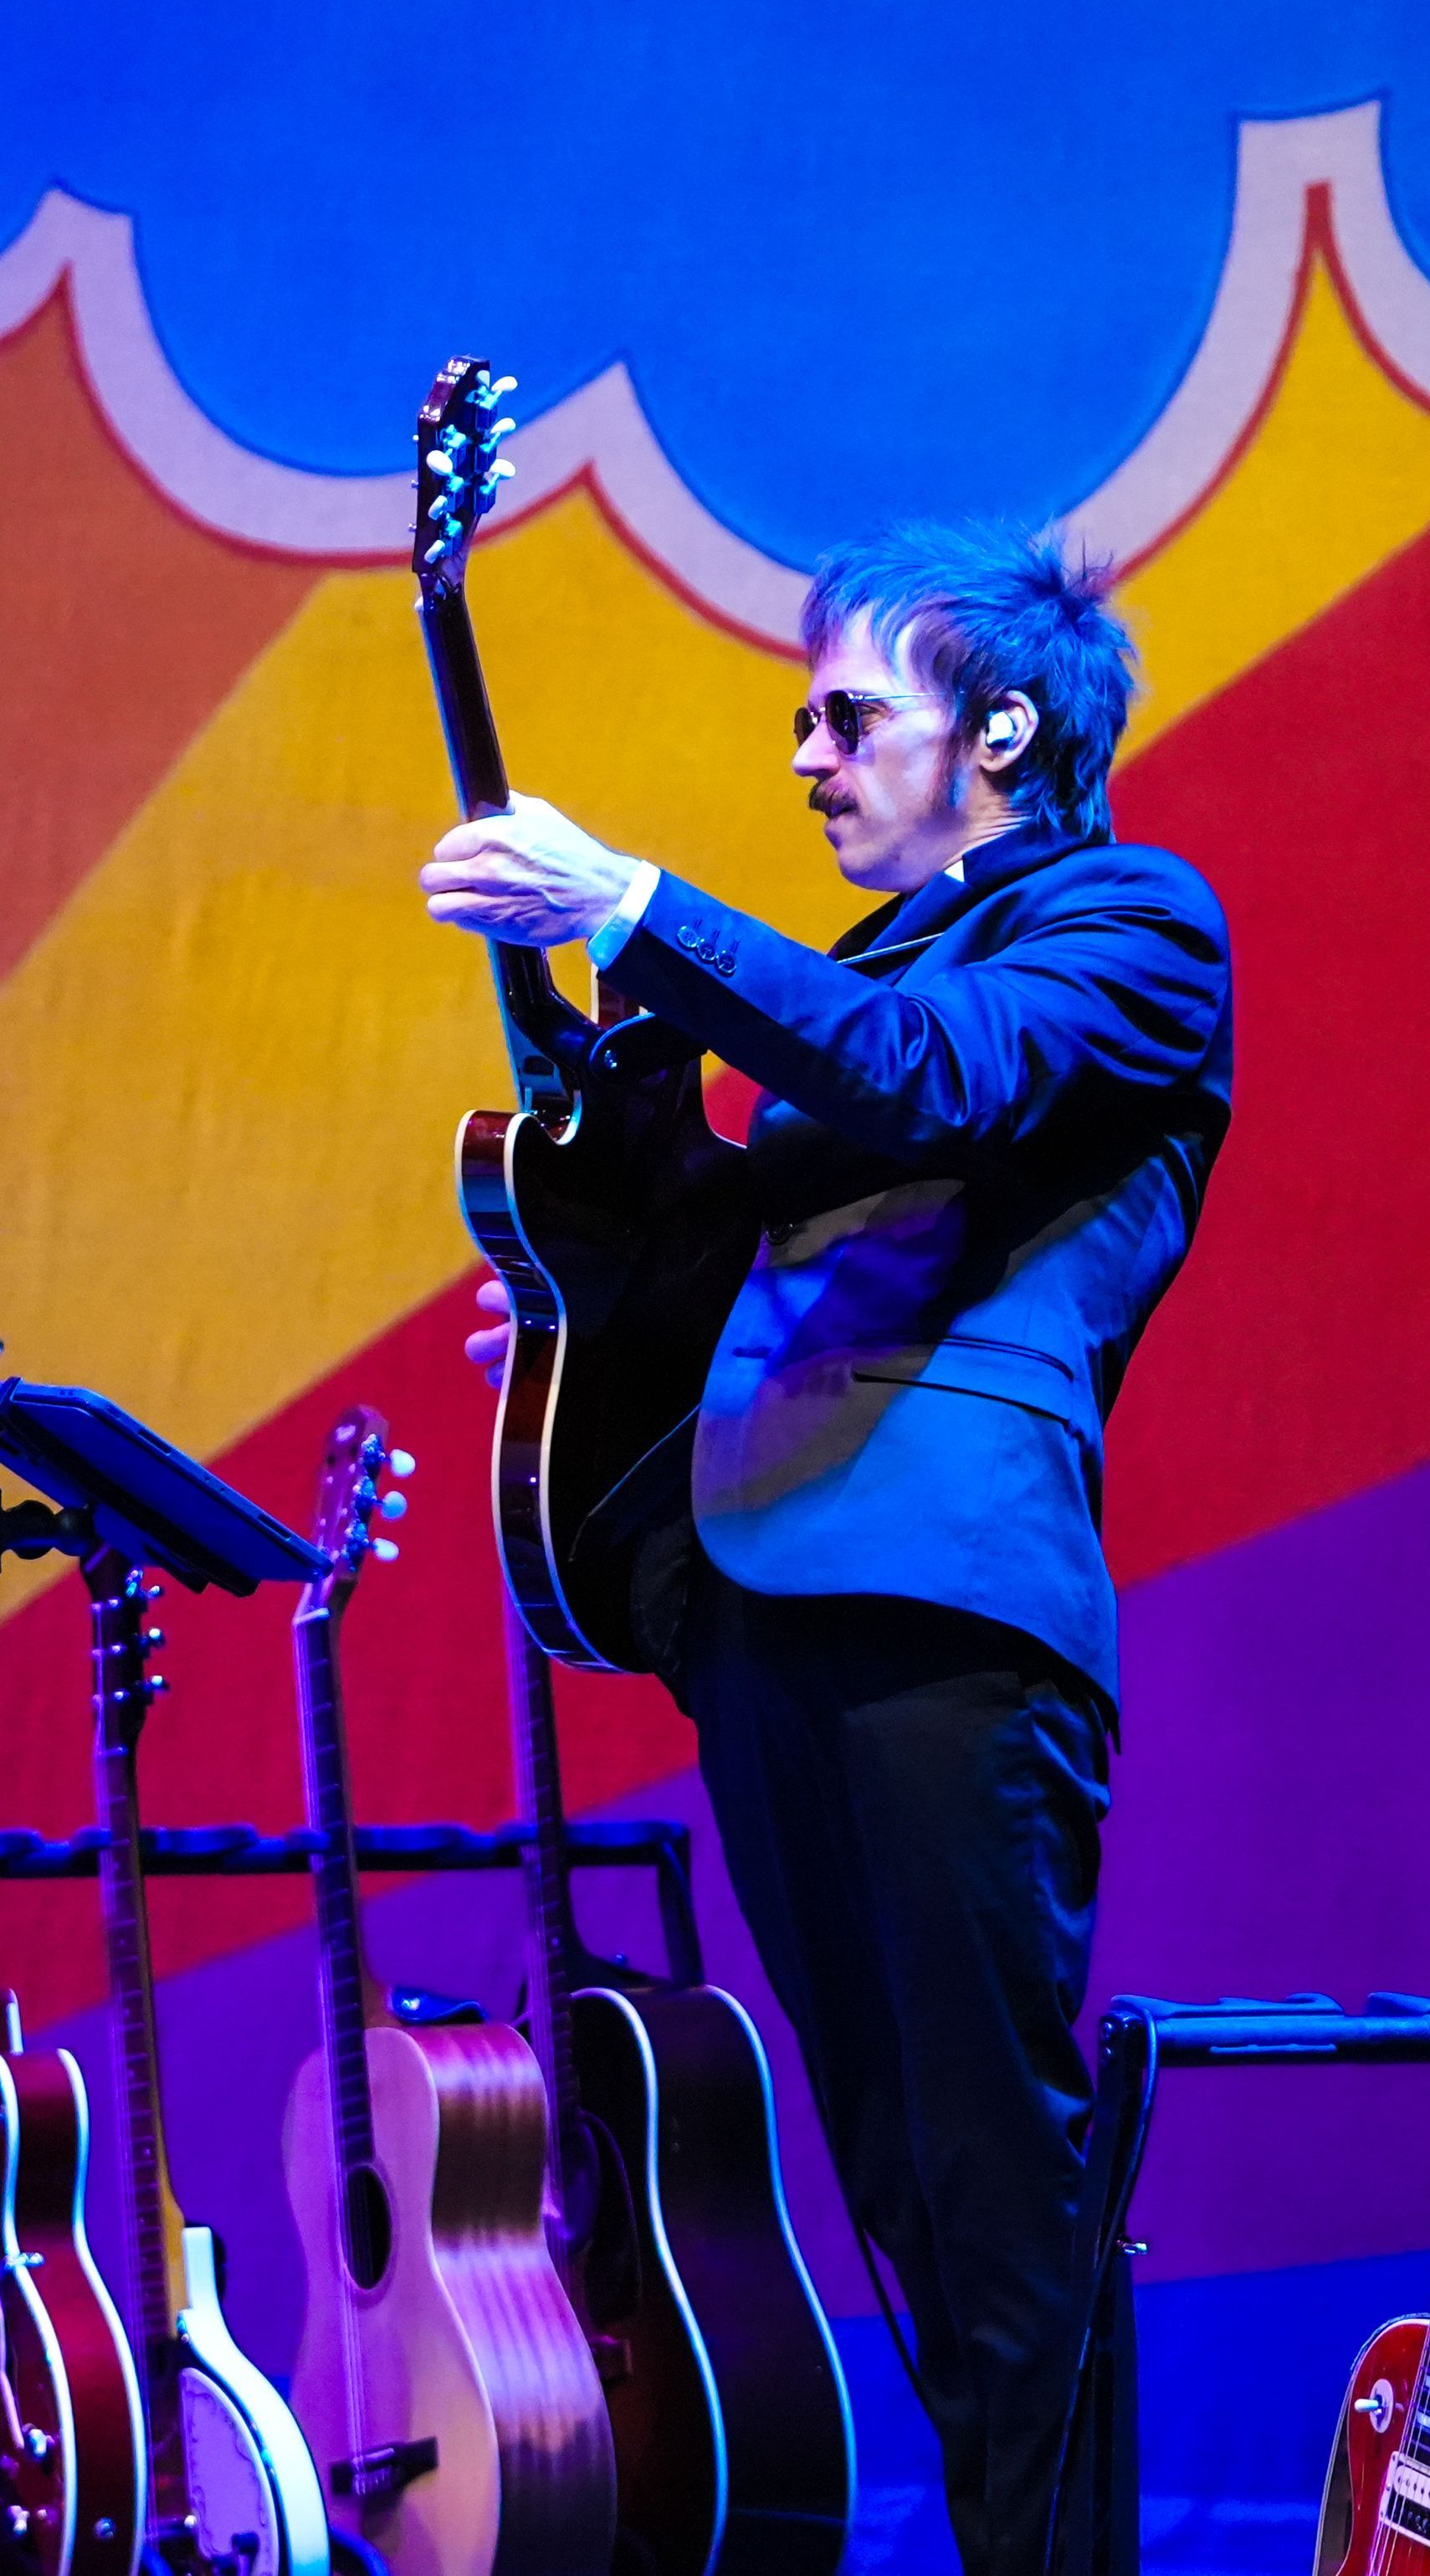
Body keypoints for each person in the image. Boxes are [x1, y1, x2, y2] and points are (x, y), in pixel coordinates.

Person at [421, 521, 1233, 2576]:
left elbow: (935, 1085)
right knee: (896, 2184)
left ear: (1008, 729)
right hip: (765, 1602)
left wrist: (634, 904)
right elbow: (751, 1217)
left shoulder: (1128, 924)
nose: (807, 754)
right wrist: (576, 1299)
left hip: (945, 1616)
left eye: (850, 713)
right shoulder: (870, 972)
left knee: (993, 2179)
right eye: (803, 717)